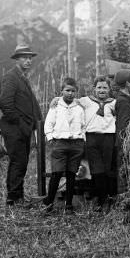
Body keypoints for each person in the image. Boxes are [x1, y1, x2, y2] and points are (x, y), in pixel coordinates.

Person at [0, 44, 43, 207]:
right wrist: (19, 122)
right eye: (24, 57)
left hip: (23, 128)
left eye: (30, 58)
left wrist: (37, 121)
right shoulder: (11, 77)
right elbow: (4, 103)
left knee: (21, 162)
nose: (28, 61)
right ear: (16, 59)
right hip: (14, 128)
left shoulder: (22, 77)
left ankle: (18, 196)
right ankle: (13, 198)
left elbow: (28, 103)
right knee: (18, 161)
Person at [42, 78, 86, 214]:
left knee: (72, 175)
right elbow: (48, 124)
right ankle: (49, 204)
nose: (70, 93)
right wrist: (51, 139)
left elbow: (83, 125)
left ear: (76, 92)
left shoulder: (79, 107)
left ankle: (68, 205)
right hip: (59, 144)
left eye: (73, 91)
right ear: (61, 91)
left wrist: (82, 138)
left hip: (76, 145)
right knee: (56, 174)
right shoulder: (55, 106)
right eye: (67, 90)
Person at [80, 76, 117, 210]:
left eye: (105, 87)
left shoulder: (114, 103)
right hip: (91, 138)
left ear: (109, 89)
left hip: (108, 138)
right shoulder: (86, 101)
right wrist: (56, 100)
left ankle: (107, 199)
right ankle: (100, 200)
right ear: (94, 89)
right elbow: (70, 101)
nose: (102, 90)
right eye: (99, 87)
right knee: (96, 169)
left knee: (107, 168)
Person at [113, 69, 130, 196]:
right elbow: (124, 126)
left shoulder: (127, 99)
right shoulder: (123, 101)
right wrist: (129, 144)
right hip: (125, 144)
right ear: (127, 83)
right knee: (125, 173)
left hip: (127, 143)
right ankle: (124, 203)